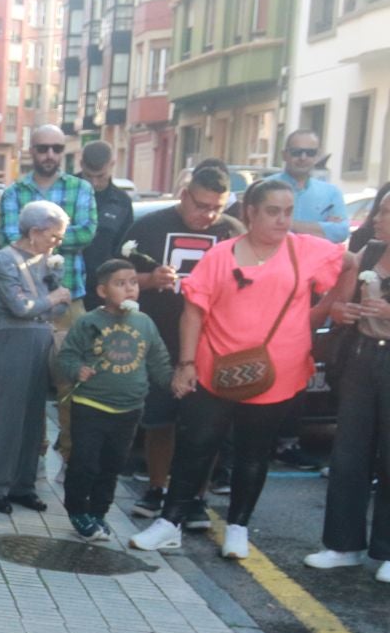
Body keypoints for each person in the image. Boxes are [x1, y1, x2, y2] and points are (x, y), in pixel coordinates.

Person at [130, 178, 359, 559]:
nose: (283, 220)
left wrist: (330, 309)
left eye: (288, 212)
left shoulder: (306, 250)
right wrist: (186, 364)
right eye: (273, 211)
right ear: (250, 213)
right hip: (214, 366)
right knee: (196, 445)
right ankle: (169, 523)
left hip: (277, 372)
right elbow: (194, 311)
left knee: (254, 453)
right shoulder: (221, 255)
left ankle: (238, 527)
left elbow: (350, 262)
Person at [118, 163, 243, 525]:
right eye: (201, 205)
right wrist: (146, 278)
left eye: (216, 208)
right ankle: (157, 488)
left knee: (208, 427)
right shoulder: (149, 227)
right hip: (159, 341)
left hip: (213, 345)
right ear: (185, 195)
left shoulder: (233, 233)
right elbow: (113, 278)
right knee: (160, 421)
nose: (208, 215)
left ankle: (195, 498)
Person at [303, 197, 390, 582]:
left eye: (388, 213)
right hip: (360, 356)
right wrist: (341, 312)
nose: (379, 219)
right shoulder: (367, 250)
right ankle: (342, 545)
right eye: (380, 210)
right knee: (349, 451)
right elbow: (337, 300)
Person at [55, 259, 172, 543]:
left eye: (133, 282)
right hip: (91, 405)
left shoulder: (144, 323)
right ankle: (77, 510)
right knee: (85, 462)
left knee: (112, 465)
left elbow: (158, 360)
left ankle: (98, 512)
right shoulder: (89, 322)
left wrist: (174, 383)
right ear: (103, 291)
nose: (130, 289)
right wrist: (77, 370)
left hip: (129, 410)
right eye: (121, 284)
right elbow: (67, 355)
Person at [0, 200, 74, 514]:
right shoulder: (4, 260)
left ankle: (23, 485)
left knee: (35, 417)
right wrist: (51, 299)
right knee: (11, 415)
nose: (57, 243)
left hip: (42, 336)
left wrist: (50, 299)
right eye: (54, 236)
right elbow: (20, 307)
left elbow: (60, 307)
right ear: (34, 231)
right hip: (15, 337)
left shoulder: (46, 260)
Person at [0, 125, 98, 302]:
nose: (50, 155)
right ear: (31, 151)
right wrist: (58, 238)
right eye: (43, 149)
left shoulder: (81, 188)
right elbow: (11, 238)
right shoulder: (13, 193)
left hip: (69, 294)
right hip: (25, 296)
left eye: (57, 148)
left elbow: (85, 234)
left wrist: (34, 237)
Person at [78, 141, 135, 304]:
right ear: (81, 165)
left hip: (102, 292)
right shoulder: (67, 191)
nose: (94, 183)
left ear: (112, 165)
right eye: (88, 176)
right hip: (67, 286)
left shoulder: (122, 202)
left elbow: (124, 251)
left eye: (100, 176)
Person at [273, 129, 349, 243]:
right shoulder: (264, 188)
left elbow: (341, 232)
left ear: (317, 156)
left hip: (317, 260)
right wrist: (323, 227)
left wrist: (285, 225)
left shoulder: (331, 193)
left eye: (310, 153)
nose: (303, 157)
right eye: (296, 152)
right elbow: (254, 227)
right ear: (284, 155)